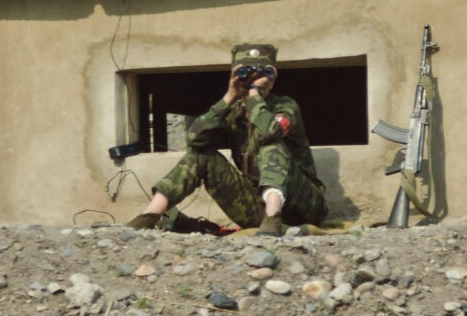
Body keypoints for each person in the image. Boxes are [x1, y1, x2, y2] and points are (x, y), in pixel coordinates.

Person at [125, 43, 327, 237]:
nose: (254, 79)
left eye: (262, 73)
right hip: (258, 208)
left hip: (304, 206)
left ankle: (273, 218)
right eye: (246, 73)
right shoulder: (234, 113)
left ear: (273, 77)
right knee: (201, 155)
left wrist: (254, 94)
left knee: (270, 146)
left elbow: (269, 131)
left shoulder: (286, 106)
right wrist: (229, 96)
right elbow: (195, 140)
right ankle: (149, 217)